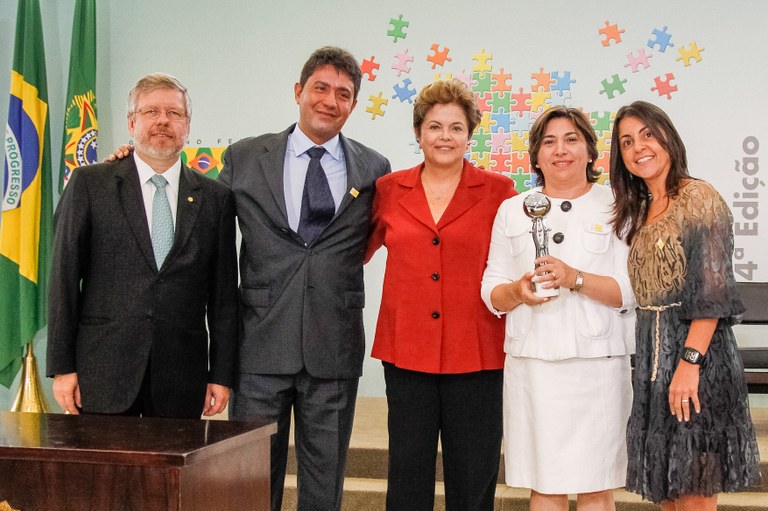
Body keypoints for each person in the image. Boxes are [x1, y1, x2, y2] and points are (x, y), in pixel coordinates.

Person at [218, 47, 391, 511]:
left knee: (324, 484)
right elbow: (199, 218)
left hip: (333, 348)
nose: (330, 101)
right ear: (299, 92)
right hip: (259, 346)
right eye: (321, 88)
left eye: (343, 94)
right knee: (251, 484)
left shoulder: (375, 169)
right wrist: (132, 162)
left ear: (353, 105)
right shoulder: (245, 157)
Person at [47, 73, 238, 419]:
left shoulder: (216, 199)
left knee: (173, 474)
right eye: (151, 111)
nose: (163, 120)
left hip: (182, 378)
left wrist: (221, 374)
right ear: (132, 122)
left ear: (187, 124)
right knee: (105, 475)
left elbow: (224, 295)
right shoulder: (91, 184)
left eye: (174, 113)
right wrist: (62, 367)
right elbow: (63, 279)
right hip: (102, 373)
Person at [365, 79, 516, 510]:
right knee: (407, 475)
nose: (445, 137)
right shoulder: (389, 189)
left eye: (455, 128)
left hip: (479, 352)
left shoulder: (499, 191)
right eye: (434, 127)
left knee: (472, 477)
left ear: (470, 135)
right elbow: (352, 251)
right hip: (406, 350)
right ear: (418, 133)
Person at [481, 106, 636, 511]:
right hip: (533, 363)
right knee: (544, 485)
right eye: (548, 142)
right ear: (535, 156)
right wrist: (518, 291)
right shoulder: (513, 209)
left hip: (598, 366)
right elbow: (491, 291)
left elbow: (630, 291)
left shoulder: (621, 205)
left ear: (590, 151)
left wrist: (574, 278)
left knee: (597, 486)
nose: (560, 150)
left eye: (571, 139)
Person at [609, 100, 761, 510]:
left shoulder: (698, 198)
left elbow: (712, 294)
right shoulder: (638, 211)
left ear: (667, 138)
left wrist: (689, 364)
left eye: (647, 134)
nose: (638, 146)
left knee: (694, 492)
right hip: (655, 363)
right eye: (626, 141)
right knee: (668, 491)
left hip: (697, 362)